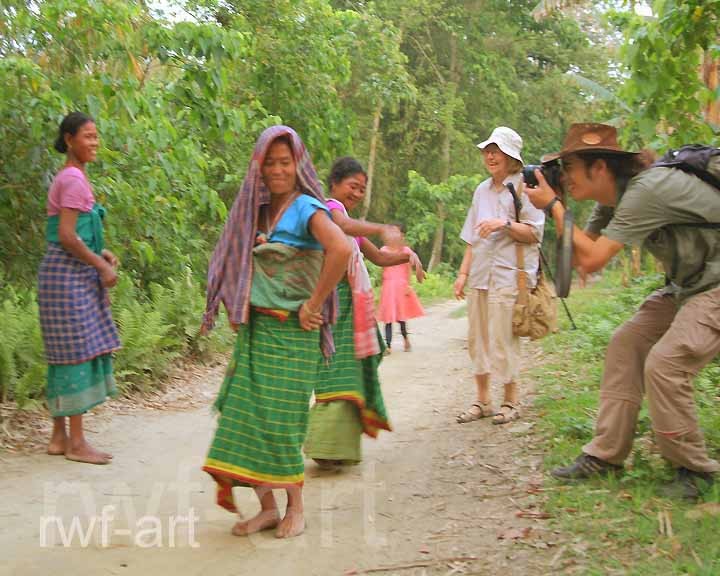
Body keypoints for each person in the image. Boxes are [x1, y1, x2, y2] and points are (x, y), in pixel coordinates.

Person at [525, 122, 719, 500]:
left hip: (714, 286)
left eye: (569, 170)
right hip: (691, 285)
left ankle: (693, 469)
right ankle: (605, 456)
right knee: (625, 342)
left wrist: (554, 205)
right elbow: (583, 260)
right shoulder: (612, 199)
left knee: (666, 363)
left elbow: (593, 256)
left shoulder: (647, 191)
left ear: (599, 168)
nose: (565, 177)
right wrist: (555, 208)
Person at [201, 126, 351, 538]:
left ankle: (295, 508)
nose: (278, 170)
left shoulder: (306, 208)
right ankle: (267, 507)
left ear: (298, 165)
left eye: (285, 162)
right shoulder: (258, 211)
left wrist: (314, 304)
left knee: (283, 424)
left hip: (293, 334)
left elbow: (340, 249)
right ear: (259, 168)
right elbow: (237, 259)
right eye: (270, 163)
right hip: (259, 331)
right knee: (246, 419)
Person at [304, 157, 424, 467]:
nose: (357, 194)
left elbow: (381, 260)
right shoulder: (329, 208)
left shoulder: (353, 228)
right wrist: (383, 228)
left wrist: (408, 256)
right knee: (333, 375)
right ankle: (324, 447)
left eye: (362, 189)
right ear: (334, 184)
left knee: (350, 373)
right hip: (333, 306)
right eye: (352, 186)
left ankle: (339, 448)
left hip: (351, 308)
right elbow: (341, 226)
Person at [38, 112, 121, 465]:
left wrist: (99, 251)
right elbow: (67, 235)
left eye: (96, 136)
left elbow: (73, 233)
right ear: (69, 140)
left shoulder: (70, 177)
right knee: (77, 354)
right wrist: (100, 264)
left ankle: (59, 437)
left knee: (62, 355)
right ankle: (77, 443)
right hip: (68, 279)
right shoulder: (73, 179)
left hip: (60, 273)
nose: (94, 142)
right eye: (87, 136)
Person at [454, 127, 544, 425]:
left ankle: (511, 401)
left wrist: (502, 223)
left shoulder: (524, 189)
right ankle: (482, 401)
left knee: (503, 340)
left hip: (509, 276)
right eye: (488, 150)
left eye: (497, 151)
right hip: (480, 274)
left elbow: (534, 232)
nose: (491, 155)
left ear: (511, 157)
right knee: (477, 339)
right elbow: (471, 236)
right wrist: (462, 272)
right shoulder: (481, 190)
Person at [376, 224, 425, 353]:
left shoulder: (406, 251)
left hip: (401, 288)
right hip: (388, 288)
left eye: (396, 232)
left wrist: (410, 284)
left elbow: (413, 267)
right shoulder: (383, 250)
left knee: (401, 317)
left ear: (401, 236)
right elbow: (382, 270)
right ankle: (388, 345)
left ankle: (406, 339)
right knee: (388, 318)